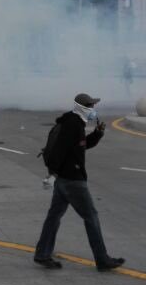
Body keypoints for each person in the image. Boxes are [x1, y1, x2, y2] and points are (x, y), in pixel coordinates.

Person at [34, 93, 125, 272]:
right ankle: (102, 259)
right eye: (91, 106)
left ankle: (42, 254)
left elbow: (81, 146)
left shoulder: (74, 122)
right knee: (91, 217)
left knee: (54, 216)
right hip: (72, 180)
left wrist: (97, 134)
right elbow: (60, 150)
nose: (94, 109)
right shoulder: (73, 125)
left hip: (63, 180)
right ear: (83, 108)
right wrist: (52, 173)